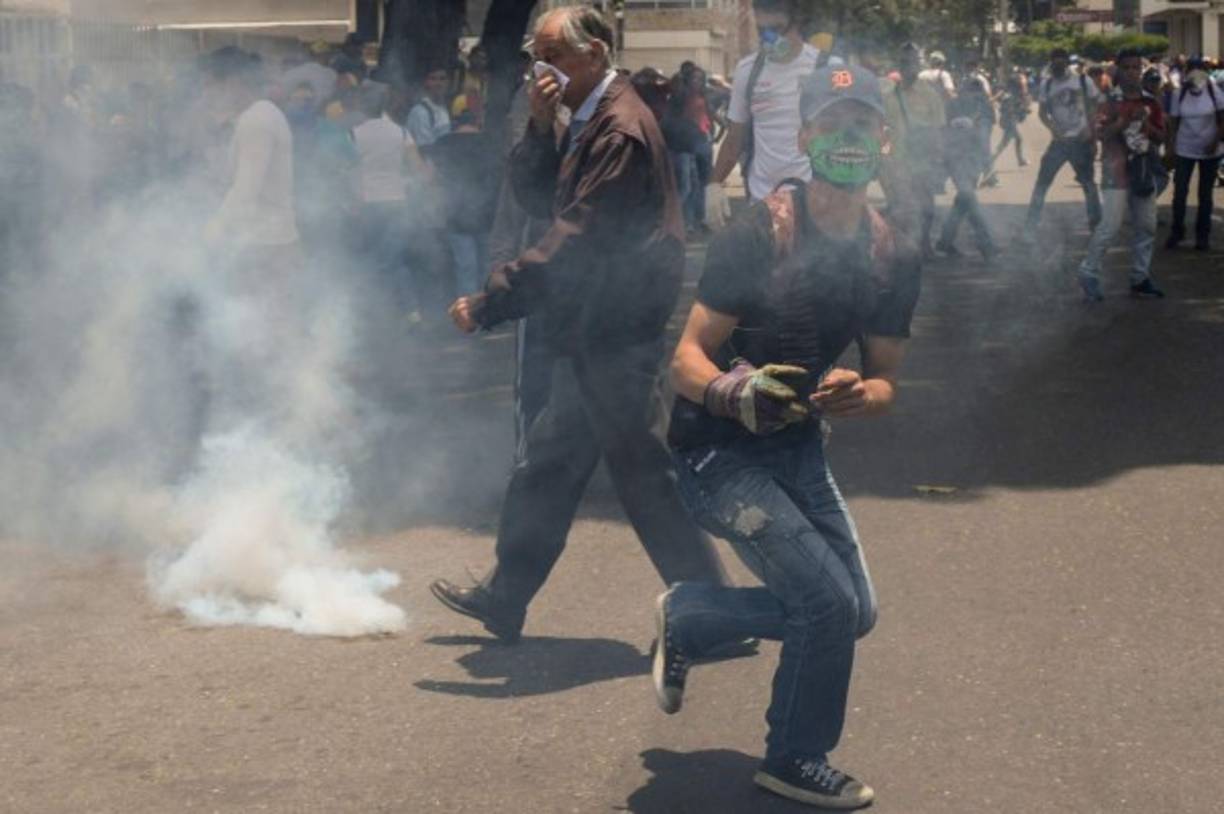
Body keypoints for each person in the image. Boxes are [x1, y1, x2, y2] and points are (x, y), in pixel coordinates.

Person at [653, 63, 920, 810]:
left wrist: (856, 393)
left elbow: (887, 380)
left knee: (854, 611)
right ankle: (795, 757)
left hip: (797, 446)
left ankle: (693, 617)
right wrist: (733, 392)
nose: (847, 140)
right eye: (832, 126)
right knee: (828, 609)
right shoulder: (758, 231)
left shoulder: (892, 254)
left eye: (862, 126)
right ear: (804, 137)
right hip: (716, 454)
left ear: (884, 141)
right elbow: (684, 360)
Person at [429, 5, 729, 643]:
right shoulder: (588, 118)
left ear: (595, 53)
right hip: (594, 325)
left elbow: (574, 239)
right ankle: (507, 596)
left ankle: (718, 617)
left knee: (643, 476)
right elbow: (542, 200)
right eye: (536, 58)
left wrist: (492, 301)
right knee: (553, 462)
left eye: (555, 57)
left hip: (614, 328)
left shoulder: (618, 129)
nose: (543, 71)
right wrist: (540, 129)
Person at [705, 0, 821, 226]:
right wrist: (714, 184)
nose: (769, 38)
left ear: (796, 23)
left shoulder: (824, 67)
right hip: (762, 202)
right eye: (762, 31)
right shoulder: (748, 71)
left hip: (813, 201)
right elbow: (734, 138)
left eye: (776, 30)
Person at [1076, 49, 1166, 301]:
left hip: (1143, 171)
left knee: (1146, 226)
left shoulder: (1151, 101)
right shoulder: (1110, 101)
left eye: (1136, 68)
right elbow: (1101, 134)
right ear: (1117, 71)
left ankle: (1140, 278)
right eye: (1126, 68)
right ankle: (1088, 272)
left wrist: (1146, 125)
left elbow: (1161, 137)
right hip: (1116, 172)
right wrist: (1125, 121)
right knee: (1110, 227)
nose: (1132, 73)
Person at [351, 80, 426, 322]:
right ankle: (409, 311)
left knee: (371, 258)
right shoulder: (401, 132)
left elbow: (349, 173)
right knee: (395, 259)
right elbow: (418, 169)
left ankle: (371, 312)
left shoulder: (354, 134)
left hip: (368, 203)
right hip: (397, 202)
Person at [1023, 47, 1103, 239]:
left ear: (1067, 62)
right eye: (1054, 60)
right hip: (1059, 142)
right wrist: (1053, 129)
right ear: (1050, 63)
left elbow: (1097, 105)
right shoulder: (1047, 84)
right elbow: (1042, 113)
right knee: (1042, 184)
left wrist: (1090, 130)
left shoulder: (1083, 81)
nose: (1057, 64)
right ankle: (1030, 228)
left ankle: (1097, 227)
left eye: (1061, 60)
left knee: (1088, 186)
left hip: (1081, 141)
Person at [883, 42, 947, 256]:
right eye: (903, 62)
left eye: (911, 62)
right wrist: (882, 159)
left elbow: (939, 130)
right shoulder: (888, 96)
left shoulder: (930, 95)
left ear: (918, 65)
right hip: (896, 162)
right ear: (898, 66)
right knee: (899, 207)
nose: (907, 66)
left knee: (927, 207)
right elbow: (882, 131)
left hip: (923, 161)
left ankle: (925, 244)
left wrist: (938, 161)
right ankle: (903, 248)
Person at [429, 110, 499, 294]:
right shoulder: (491, 144)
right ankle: (486, 306)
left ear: (455, 123)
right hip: (487, 213)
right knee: (485, 264)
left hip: (456, 213)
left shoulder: (442, 143)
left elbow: (433, 177)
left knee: (465, 266)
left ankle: (467, 311)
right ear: (478, 122)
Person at [1165, 55, 1224, 251]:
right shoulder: (1179, 93)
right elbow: (1173, 122)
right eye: (1191, 70)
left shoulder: (1213, 90)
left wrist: (1215, 141)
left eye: (1198, 70)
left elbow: (1222, 119)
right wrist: (1171, 147)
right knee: (1180, 191)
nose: (1194, 75)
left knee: (1205, 194)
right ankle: (1177, 231)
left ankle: (1202, 235)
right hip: (1185, 148)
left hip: (1210, 150)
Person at [937, 77, 997, 260]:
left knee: (963, 202)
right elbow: (942, 130)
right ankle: (987, 246)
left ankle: (944, 242)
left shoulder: (983, 107)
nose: (971, 96)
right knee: (968, 198)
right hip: (958, 160)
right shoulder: (954, 106)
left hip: (970, 160)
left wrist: (986, 165)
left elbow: (985, 136)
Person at [983, 71, 1030, 184]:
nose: (1023, 83)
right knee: (1017, 139)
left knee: (1004, 144)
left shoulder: (1011, 92)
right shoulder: (1009, 93)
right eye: (1021, 82)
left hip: (1009, 119)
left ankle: (989, 162)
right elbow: (998, 100)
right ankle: (1019, 160)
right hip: (1009, 120)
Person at [406, 66, 452, 148]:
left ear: (448, 82)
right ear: (426, 82)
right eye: (433, 79)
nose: (438, 83)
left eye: (442, 79)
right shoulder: (420, 112)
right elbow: (424, 150)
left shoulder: (443, 109)